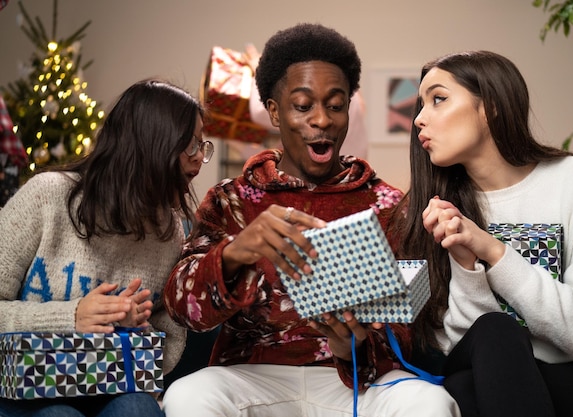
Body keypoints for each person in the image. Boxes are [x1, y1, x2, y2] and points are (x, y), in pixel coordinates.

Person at [162, 23, 460, 417]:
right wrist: (236, 252)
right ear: (274, 111)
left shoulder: (388, 204)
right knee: (188, 396)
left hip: (359, 381)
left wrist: (352, 348)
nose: (322, 119)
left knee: (430, 403)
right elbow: (183, 310)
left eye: (335, 105)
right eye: (303, 106)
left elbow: (411, 326)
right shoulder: (231, 200)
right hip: (254, 376)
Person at [390, 50, 573, 417]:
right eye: (420, 105)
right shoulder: (428, 211)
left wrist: (493, 251)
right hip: (477, 370)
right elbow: (451, 345)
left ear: (492, 105)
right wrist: (466, 267)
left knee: (469, 390)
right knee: (492, 337)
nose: (418, 118)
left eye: (438, 99)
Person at [0, 78, 212, 417]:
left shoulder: (170, 233)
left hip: (111, 388)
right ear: (151, 145)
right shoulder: (46, 197)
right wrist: (71, 317)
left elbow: (169, 344)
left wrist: (135, 329)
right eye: (191, 145)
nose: (201, 159)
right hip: (23, 387)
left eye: (203, 146)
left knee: (139, 410)